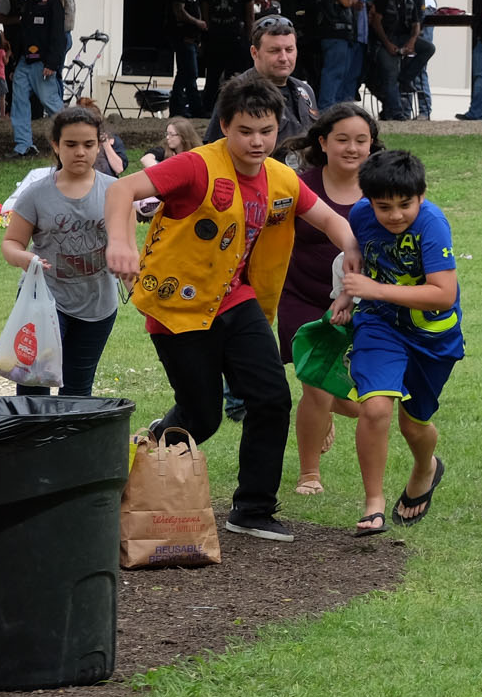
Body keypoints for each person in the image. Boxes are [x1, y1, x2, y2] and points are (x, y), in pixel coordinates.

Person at [102, 76, 362, 543]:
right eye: (245, 131)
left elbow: (328, 219)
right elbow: (121, 191)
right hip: (177, 307)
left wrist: (351, 254)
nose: (257, 141)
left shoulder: (281, 177)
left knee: (272, 397)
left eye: (266, 130)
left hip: (236, 300)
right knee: (202, 417)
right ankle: (150, 447)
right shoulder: (195, 166)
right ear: (224, 126)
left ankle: (253, 509)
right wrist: (120, 244)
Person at [333, 150, 460, 536]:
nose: (395, 215)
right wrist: (347, 294)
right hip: (379, 324)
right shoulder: (360, 215)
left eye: (405, 204)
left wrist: (375, 289)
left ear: (421, 195)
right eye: (383, 207)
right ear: (368, 201)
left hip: (431, 336)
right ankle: (374, 504)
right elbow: (362, 261)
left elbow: (443, 294)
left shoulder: (432, 224)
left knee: (414, 424)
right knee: (374, 408)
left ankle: (426, 467)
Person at [281, 104, 378, 497]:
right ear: (322, 142)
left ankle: (327, 410)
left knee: (357, 403)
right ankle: (309, 474)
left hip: (361, 301)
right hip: (301, 297)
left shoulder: (381, 189)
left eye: (361, 140)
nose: (352, 148)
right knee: (316, 386)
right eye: (342, 139)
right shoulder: (298, 185)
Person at [0, 106, 118, 396]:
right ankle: (33, 428)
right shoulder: (36, 193)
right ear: (56, 145)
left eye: (88, 144)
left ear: (99, 145)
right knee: (34, 385)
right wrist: (24, 258)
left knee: (78, 391)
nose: (80, 152)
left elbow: (125, 247)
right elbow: (10, 243)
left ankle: (68, 429)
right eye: (71, 144)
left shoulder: (116, 191)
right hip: (45, 300)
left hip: (98, 305)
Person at [205, 16, 319, 159]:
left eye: (289, 50)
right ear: (254, 52)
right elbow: (215, 152)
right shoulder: (238, 92)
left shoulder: (305, 91)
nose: (284, 58)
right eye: (274, 51)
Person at [8, 0, 66, 157]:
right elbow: (23, 35)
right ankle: (23, 145)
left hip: (42, 63)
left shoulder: (52, 2)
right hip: (24, 62)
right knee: (18, 101)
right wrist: (15, 63)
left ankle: (74, 136)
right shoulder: (28, 3)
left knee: (50, 102)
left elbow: (58, 35)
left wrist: (52, 63)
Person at [311, 0, 365, 109]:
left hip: (340, 33)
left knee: (341, 72)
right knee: (334, 71)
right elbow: (347, 1)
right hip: (333, 32)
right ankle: (327, 108)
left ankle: (336, 108)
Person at [368, 0, 423, 120]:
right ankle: (397, 112)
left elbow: (416, 25)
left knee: (428, 48)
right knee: (391, 74)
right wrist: (387, 43)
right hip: (384, 41)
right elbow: (376, 23)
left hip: (403, 39)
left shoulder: (409, 1)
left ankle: (405, 78)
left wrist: (412, 41)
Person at [201, 0, 255, 101]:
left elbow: (205, 10)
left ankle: (209, 105)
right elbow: (250, 15)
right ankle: (233, 105)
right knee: (235, 77)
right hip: (236, 37)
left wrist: (209, 28)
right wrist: (249, 37)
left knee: (212, 76)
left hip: (215, 37)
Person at [168, 0, 206, 118]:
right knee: (190, 74)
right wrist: (198, 22)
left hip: (191, 39)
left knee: (184, 73)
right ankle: (193, 109)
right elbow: (179, 11)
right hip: (183, 38)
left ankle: (179, 108)